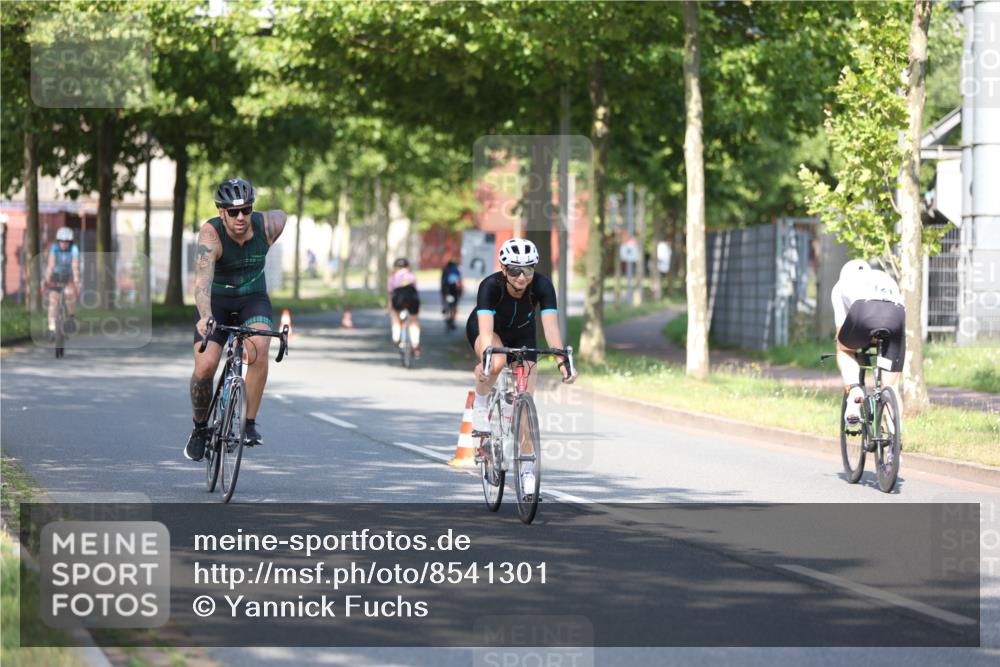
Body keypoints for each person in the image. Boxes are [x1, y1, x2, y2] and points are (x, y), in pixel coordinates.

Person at [184, 178, 288, 461]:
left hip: (253, 298)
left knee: (260, 347)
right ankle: (200, 427)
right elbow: (202, 284)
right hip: (216, 301)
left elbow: (282, 214)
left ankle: (249, 424)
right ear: (221, 213)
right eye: (232, 212)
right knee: (205, 367)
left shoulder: (267, 226)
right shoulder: (211, 235)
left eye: (246, 209)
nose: (240, 217)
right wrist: (205, 316)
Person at [467, 238, 577, 490]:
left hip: (523, 334)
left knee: (525, 403)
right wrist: (486, 361)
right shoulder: (490, 286)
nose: (521, 277)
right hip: (488, 329)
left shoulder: (543, 285)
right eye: (515, 270)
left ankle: (527, 469)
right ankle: (481, 403)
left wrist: (562, 362)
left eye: (527, 269)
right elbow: (485, 331)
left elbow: (550, 328)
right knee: (496, 361)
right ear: (504, 269)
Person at [831, 259, 905, 430]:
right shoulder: (885, 278)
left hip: (863, 311)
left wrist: (856, 340)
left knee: (843, 349)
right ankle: (895, 446)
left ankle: (854, 390)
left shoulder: (840, 286)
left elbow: (840, 331)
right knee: (891, 386)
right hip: (896, 316)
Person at [44, 227, 80, 339]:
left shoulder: (74, 249)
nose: (64, 244)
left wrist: (76, 281)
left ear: (70, 242)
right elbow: (50, 265)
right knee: (53, 302)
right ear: (58, 241)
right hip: (56, 276)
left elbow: (75, 266)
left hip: (68, 276)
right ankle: (51, 329)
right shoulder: (54, 248)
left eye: (67, 241)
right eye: (62, 241)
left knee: (69, 294)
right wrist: (46, 279)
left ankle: (70, 317)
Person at [388, 258, 422, 357]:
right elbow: (415, 290)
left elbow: (390, 293)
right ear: (407, 266)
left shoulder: (393, 277)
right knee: (413, 321)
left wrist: (389, 307)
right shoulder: (411, 276)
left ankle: (396, 337)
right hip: (412, 299)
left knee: (395, 317)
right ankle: (415, 344)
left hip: (398, 300)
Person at [440, 259, 463, 330]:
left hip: (446, 289)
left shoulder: (445, 270)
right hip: (454, 290)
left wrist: (443, 292)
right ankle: (452, 320)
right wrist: (461, 291)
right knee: (454, 306)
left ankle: (445, 311)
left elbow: (442, 282)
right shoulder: (457, 270)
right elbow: (459, 282)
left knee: (446, 304)